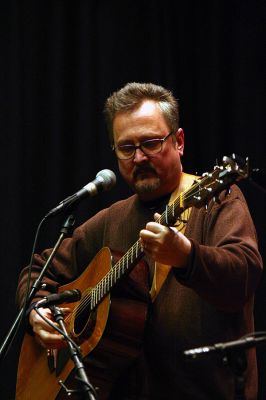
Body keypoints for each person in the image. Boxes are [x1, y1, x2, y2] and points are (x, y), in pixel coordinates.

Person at [16, 82, 263, 400]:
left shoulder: (219, 200)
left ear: (179, 142)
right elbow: (37, 271)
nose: (139, 158)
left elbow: (244, 274)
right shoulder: (111, 219)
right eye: (127, 148)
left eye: (151, 143)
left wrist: (187, 256)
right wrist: (38, 311)